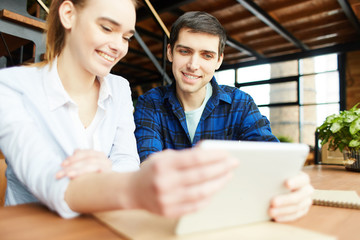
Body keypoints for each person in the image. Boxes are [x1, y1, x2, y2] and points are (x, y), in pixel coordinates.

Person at [0, 0, 237, 219]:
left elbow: (127, 160)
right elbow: (49, 181)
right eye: (106, 28)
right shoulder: (9, 87)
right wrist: (124, 183)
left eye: (126, 37)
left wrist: (112, 176)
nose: (118, 47)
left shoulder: (119, 88)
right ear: (68, 14)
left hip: (104, 225)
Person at [134, 11, 313, 222]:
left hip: (227, 214)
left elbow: (273, 159)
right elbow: (148, 165)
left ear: (218, 60)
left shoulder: (240, 103)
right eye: (185, 51)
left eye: (206, 55)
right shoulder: (150, 103)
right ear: (170, 52)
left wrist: (293, 182)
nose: (193, 64)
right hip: (166, 217)